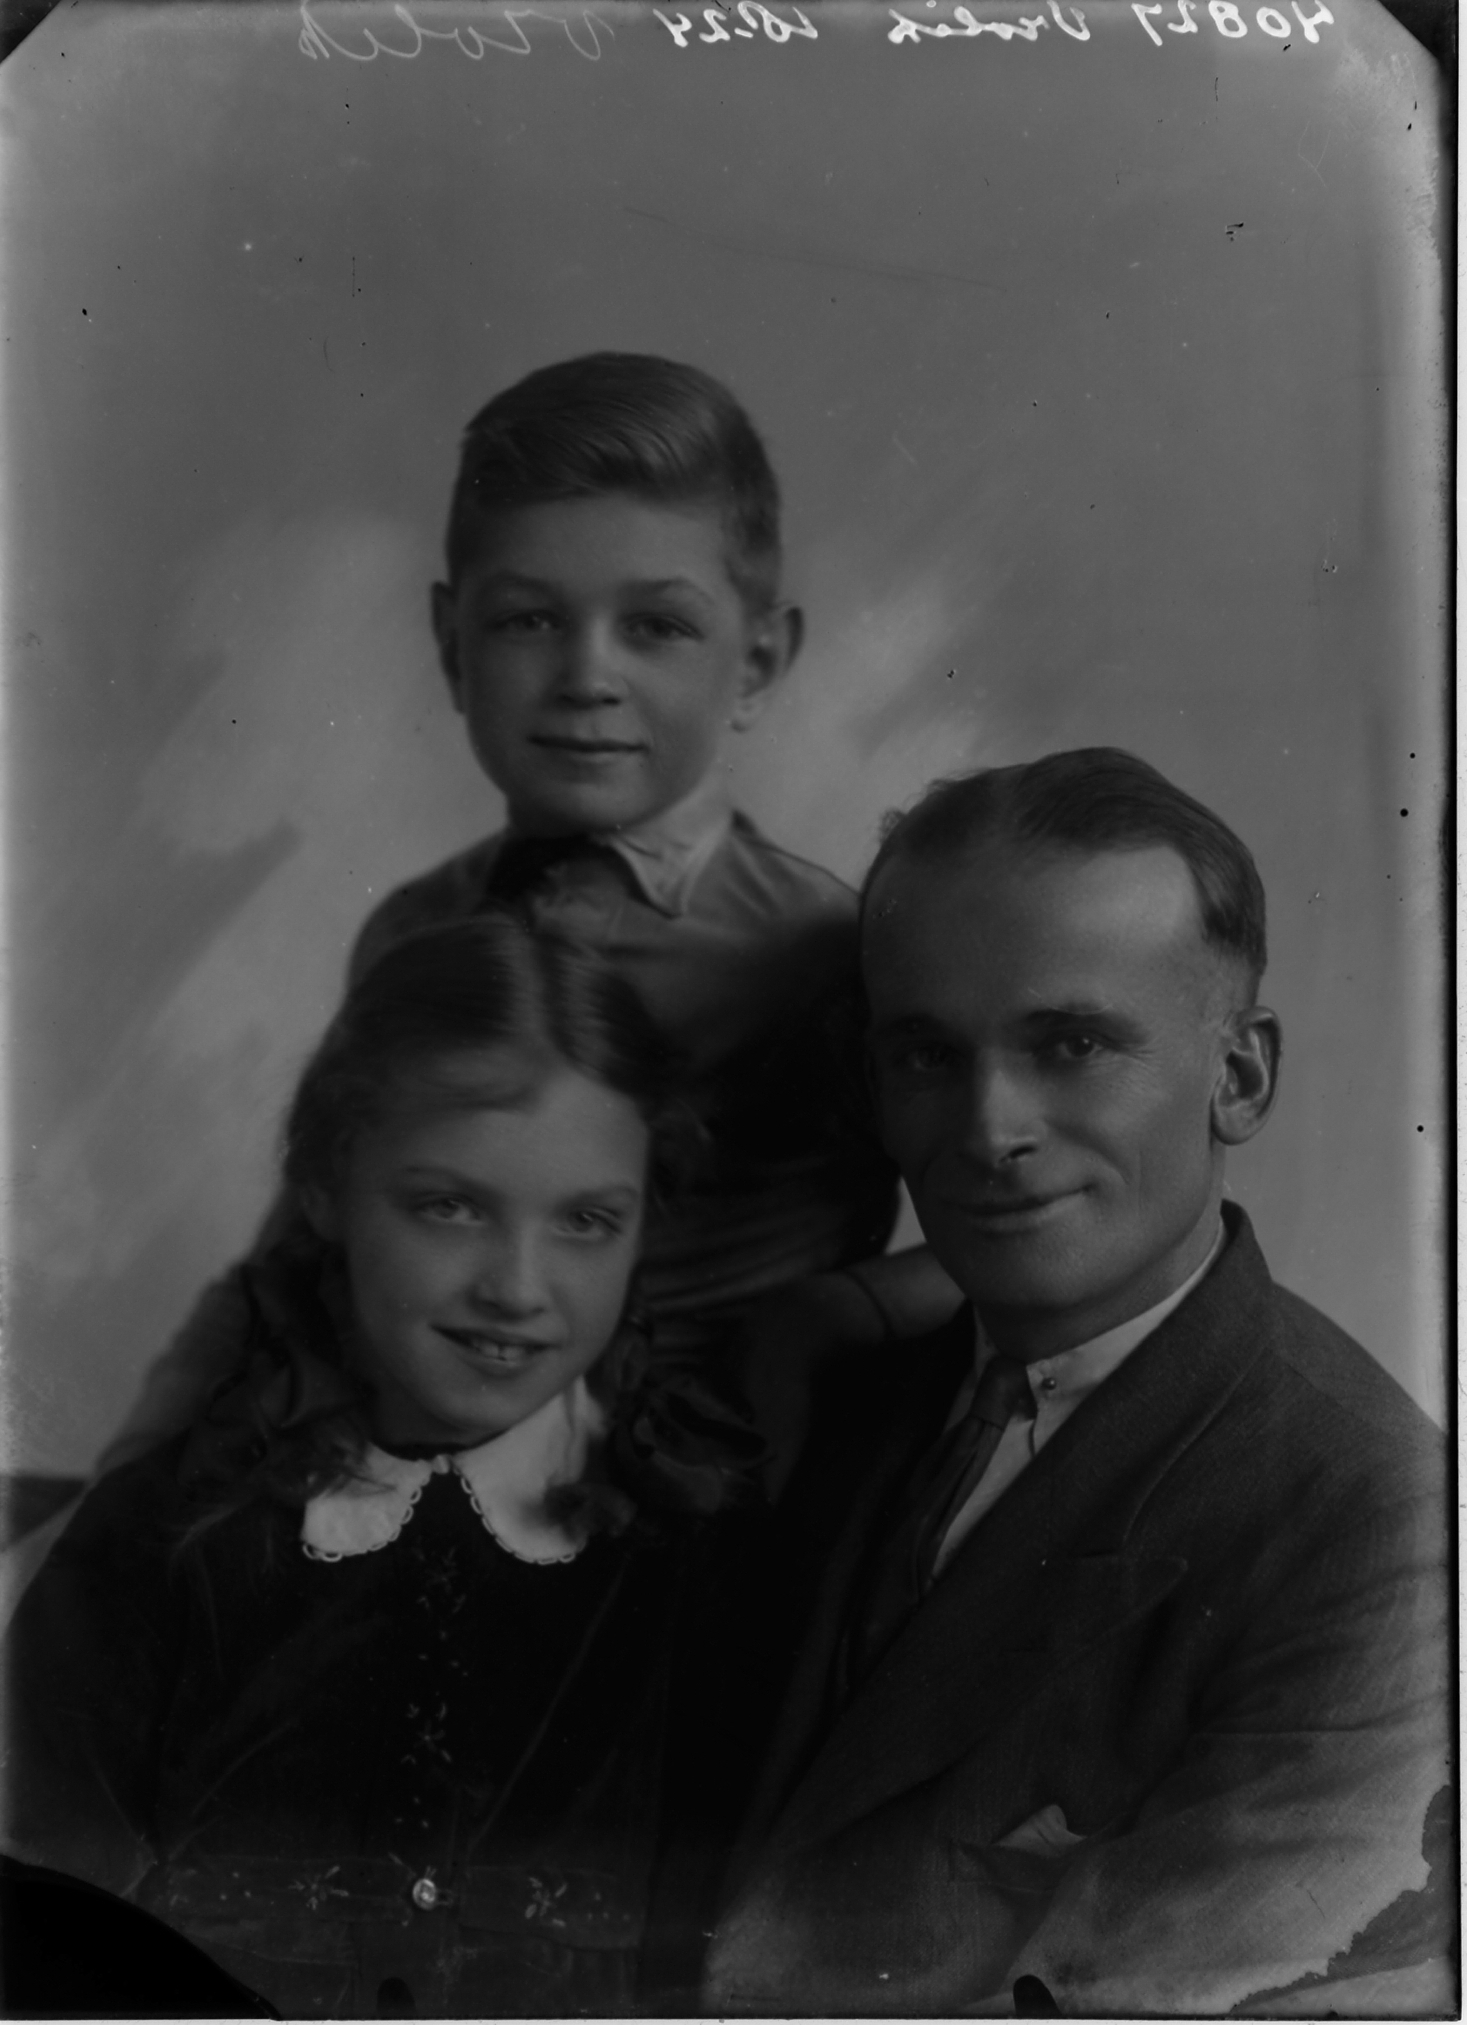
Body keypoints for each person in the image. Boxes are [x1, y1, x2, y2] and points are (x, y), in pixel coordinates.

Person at [97, 351, 958, 1477]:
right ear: (452, 647)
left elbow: (996, 1230)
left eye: (656, 627)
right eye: (529, 620)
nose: (586, 677)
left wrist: (820, 1320)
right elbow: (298, 1260)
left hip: (698, 1501)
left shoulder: (824, 953)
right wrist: (122, 1488)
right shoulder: (418, 929)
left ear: (756, 663)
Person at [703, 749, 1452, 2017]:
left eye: (1073, 1045)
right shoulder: (842, 1392)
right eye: (928, 1056)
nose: (989, 1129)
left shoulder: (1385, 1535)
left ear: (1240, 1078)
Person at [5, 915, 768, 2019]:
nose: (517, 1287)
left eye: (586, 1222)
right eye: (449, 1206)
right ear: (326, 1186)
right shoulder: (164, 1530)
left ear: (649, 1219)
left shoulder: (701, 1550)